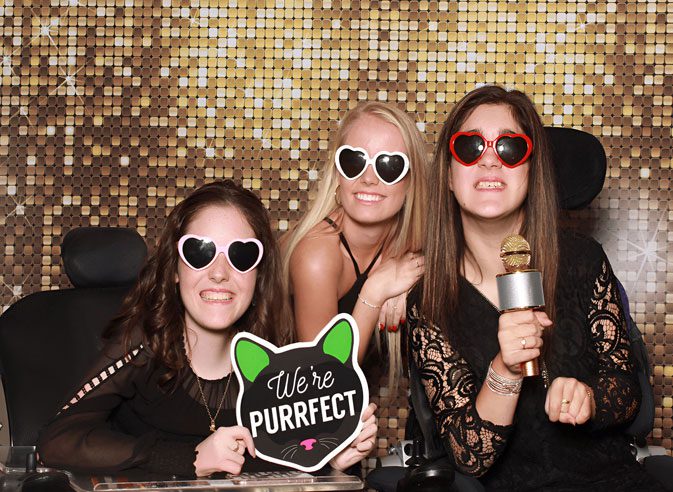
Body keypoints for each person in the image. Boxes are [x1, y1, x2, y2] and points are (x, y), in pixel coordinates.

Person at [407, 86, 666, 490]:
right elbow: (469, 457)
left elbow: (627, 389)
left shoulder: (584, 261)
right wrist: (504, 370)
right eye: (470, 146)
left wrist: (590, 398)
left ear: (531, 170)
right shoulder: (429, 301)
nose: (490, 159)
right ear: (449, 177)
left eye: (510, 148)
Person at [37, 180, 377, 478]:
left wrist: (334, 461)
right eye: (199, 252)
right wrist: (191, 458)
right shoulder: (142, 345)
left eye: (242, 256)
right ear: (174, 269)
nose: (219, 273)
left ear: (259, 278)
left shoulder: (278, 365)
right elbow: (55, 442)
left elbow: (286, 466)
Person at [282, 101, 427, 382]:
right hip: (271, 408)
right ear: (338, 172)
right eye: (354, 161)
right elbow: (322, 385)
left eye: (389, 165)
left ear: (411, 180)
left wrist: (405, 279)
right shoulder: (318, 256)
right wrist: (375, 292)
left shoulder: (410, 242)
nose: (369, 178)